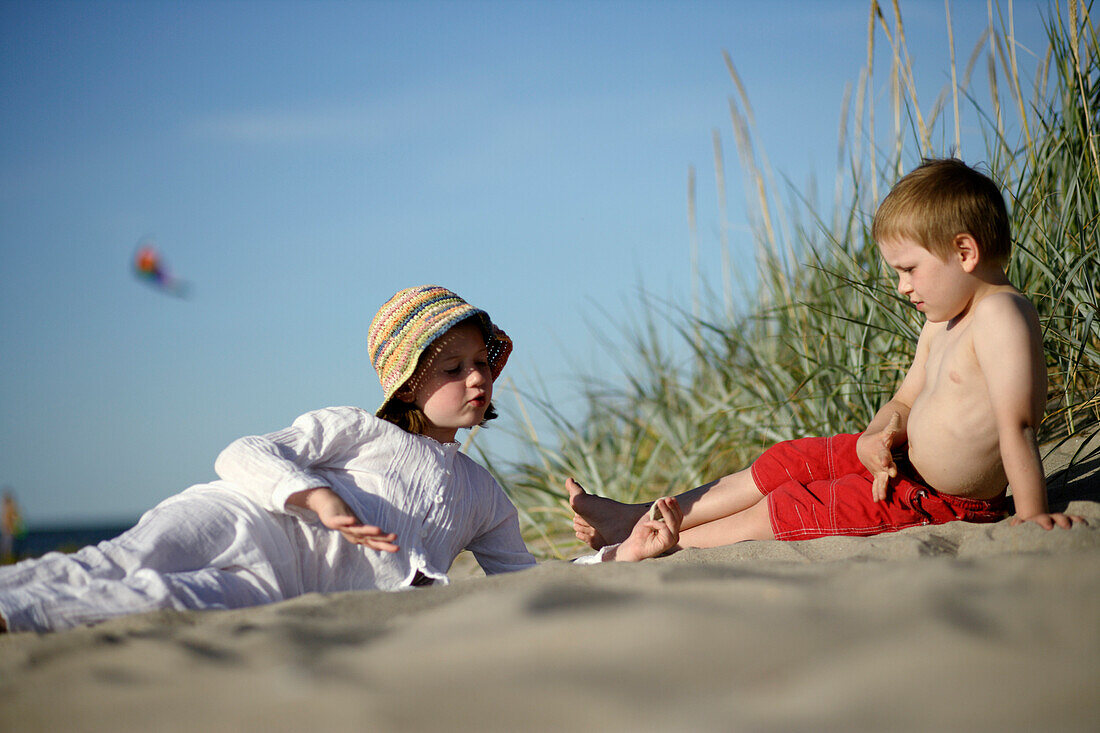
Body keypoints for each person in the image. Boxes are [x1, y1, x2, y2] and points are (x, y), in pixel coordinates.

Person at [569, 159, 1086, 561]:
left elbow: (1015, 423)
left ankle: (667, 545)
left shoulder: (1000, 315)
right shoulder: (943, 320)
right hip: (896, 465)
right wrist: (877, 433)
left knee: (788, 511)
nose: (903, 287)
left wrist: (1032, 513)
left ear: (965, 251)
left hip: (938, 500)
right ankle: (640, 517)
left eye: (909, 269)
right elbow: (907, 397)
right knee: (784, 463)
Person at [0, 286, 542, 632]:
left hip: (287, 587)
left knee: (166, 600)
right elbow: (243, 453)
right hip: (238, 514)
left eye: (480, 362)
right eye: (452, 367)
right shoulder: (356, 428)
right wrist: (318, 497)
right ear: (405, 386)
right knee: (113, 564)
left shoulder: (483, 495)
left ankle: (15, 619)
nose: (477, 378)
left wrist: (617, 552)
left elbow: (525, 578)